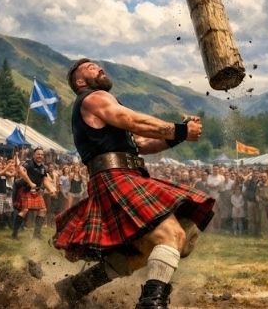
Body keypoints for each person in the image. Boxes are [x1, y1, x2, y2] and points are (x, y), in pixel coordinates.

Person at [53, 58, 214, 308]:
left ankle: (74, 288)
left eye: (97, 64)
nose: (98, 67)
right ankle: (151, 304)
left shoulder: (103, 109)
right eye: (89, 67)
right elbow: (133, 121)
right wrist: (181, 130)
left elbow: (139, 143)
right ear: (80, 81)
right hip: (116, 178)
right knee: (171, 234)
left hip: (125, 176)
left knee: (156, 243)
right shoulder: (92, 98)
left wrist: (178, 135)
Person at [12, 147, 56, 239]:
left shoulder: (44, 167)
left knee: (43, 210)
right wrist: (30, 183)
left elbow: (45, 180)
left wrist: (51, 189)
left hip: (35, 191)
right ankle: (15, 233)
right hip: (24, 188)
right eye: (38, 154)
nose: (40, 156)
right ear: (34, 155)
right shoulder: (28, 163)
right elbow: (21, 172)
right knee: (25, 210)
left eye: (41, 154)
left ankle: (36, 234)